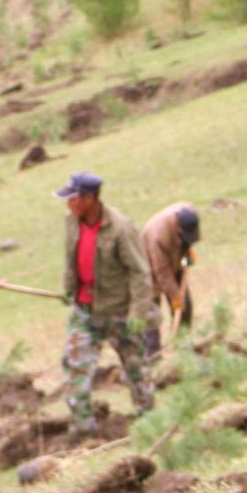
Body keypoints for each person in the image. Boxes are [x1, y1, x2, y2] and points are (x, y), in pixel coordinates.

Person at [57, 170, 154, 439]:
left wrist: (138, 312)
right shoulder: (72, 223)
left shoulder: (121, 228)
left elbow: (140, 272)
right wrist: (69, 288)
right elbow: (71, 260)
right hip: (85, 311)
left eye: (73, 198)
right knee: (74, 365)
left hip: (119, 311)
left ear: (89, 199)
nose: (69, 204)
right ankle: (82, 428)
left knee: (136, 369)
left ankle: (149, 419)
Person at [144, 201, 200, 345]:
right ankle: (153, 355)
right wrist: (176, 297)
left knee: (185, 306)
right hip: (148, 272)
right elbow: (161, 272)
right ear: (178, 228)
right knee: (151, 315)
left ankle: (182, 345)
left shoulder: (189, 214)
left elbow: (188, 242)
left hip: (174, 264)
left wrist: (187, 255)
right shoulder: (158, 234)